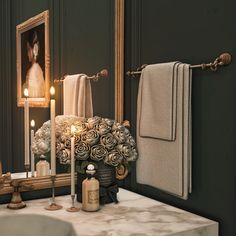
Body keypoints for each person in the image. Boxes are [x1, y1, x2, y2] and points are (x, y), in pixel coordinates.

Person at [25, 31, 45, 98]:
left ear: (34, 49)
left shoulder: (35, 70)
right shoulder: (31, 70)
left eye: (28, 49)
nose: (27, 54)